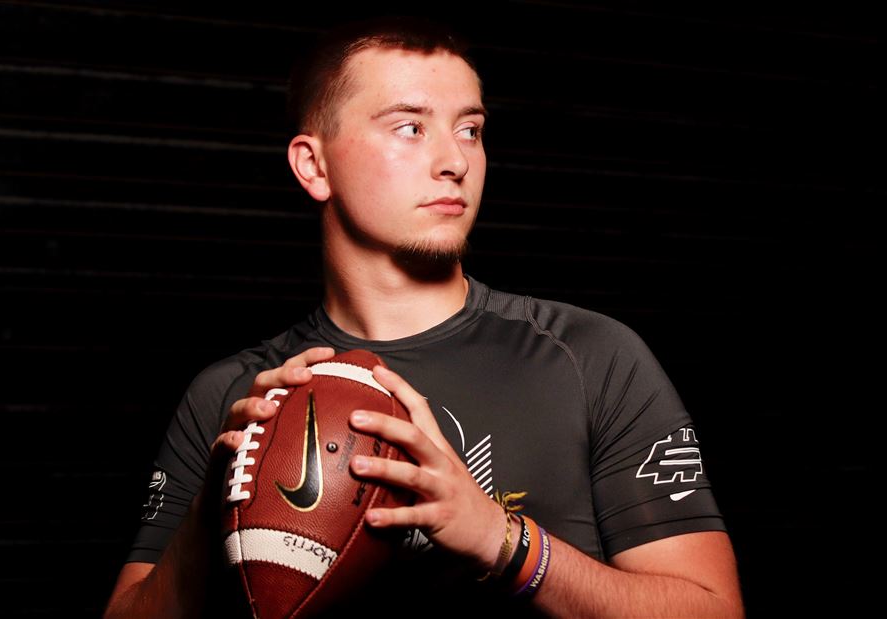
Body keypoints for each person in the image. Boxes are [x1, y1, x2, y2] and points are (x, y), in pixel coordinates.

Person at [105, 16, 743, 619]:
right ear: (313, 165)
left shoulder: (591, 357)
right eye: (410, 126)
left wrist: (502, 540)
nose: (456, 161)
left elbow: (714, 609)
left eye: (470, 129)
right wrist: (204, 521)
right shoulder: (233, 394)